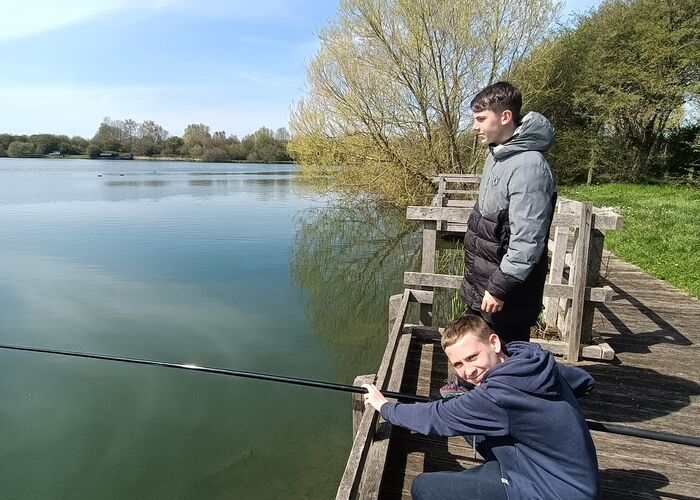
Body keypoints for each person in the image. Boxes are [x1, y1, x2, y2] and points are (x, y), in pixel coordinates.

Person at [363, 314, 600, 500]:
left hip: (549, 492)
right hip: (578, 480)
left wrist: (384, 406)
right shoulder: (534, 360)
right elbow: (585, 382)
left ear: (494, 342)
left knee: (422, 487)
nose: (468, 371)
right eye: (459, 364)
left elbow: (436, 418)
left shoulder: (496, 396)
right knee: (453, 405)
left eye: (473, 356)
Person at [460, 81, 557, 343]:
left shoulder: (529, 166)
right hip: (484, 281)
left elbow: (527, 241)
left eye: (481, 119)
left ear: (505, 117)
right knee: (480, 352)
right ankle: (468, 385)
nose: (474, 126)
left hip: (506, 294)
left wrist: (499, 288)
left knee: (506, 361)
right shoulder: (496, 155)